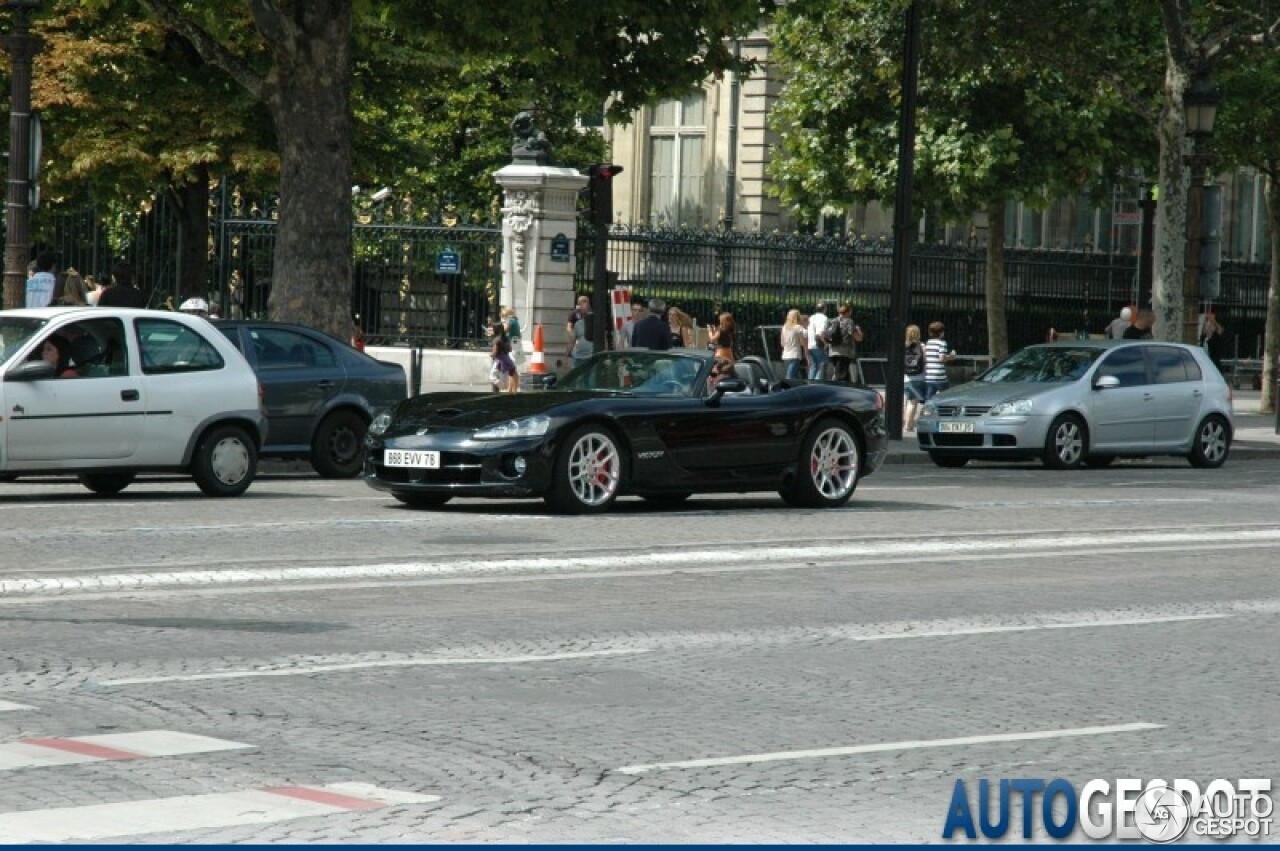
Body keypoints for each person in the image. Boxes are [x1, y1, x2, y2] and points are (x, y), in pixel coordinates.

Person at [825, 303, 863, 383]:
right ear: (848, 312)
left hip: (832, 351)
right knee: (842, 375)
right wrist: (859, 331)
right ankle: (840, 390)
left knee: (839, 371)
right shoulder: (849, 321)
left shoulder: (832, 321)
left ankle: (842, 386)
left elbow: (824, 334)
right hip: (845, 351)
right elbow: (855, 336)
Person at [924, 320, 956, 399]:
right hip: (940, 376)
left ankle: (928, 411)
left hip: (928, 375)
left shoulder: (928, 343)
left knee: (929, 399)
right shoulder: (942, 343)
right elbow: (941, 359)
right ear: (941, 333)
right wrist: (951, 357)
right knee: (945, 398)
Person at [903, 324, 927, 430]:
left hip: (906, 378)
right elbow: (925, 361)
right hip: (919, 377)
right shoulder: (921, 346)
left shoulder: (903, 346)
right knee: (913, 403)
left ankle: (907, 424)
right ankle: (909, 425)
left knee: (908, 401)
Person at [489, 322, 519, 392]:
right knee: (510, 374)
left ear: (495, 330)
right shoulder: (507, 338)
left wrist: (492, 354)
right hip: (507, 358)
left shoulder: (496, 340)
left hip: (499, 360)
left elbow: (495, 351)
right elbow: (510, 349)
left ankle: (502, 387)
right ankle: (511, 390)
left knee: (492, 376)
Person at [780, 309, 808, 380]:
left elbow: (782, 343)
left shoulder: (784, 327)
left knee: (793, 376)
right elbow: (802, 343)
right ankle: (787, 390)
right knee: (790, 377)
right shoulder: (798, 327)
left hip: (785, 355)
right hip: (795, 354)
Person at [565, 295, 594, 366]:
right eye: (581, 304)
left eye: (586, 304)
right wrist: (572, 334)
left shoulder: (593, 318)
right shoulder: (574, 314)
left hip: (591, 354)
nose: (584, 308)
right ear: (579, 305)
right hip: (578, 352)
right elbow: (569, 327)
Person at [807, 301, 830, 379]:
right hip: (818, 345)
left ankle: (810, 385)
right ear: (824, 309)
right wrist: (826, 343)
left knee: (813, 367)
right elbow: (820, 333)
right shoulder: (824, 318)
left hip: (809, 345)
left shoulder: (811, 317)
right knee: (821, 367)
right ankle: (818, 386)